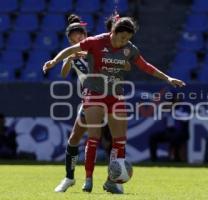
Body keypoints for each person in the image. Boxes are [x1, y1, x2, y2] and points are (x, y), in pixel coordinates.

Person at [43, 14, 185, 194]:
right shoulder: (94, 43)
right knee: (82, 138)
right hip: (93, 96)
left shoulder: (127, 48)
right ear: (113, 32)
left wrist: (167, 78)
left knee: (119, 140)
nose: (124, 41)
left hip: (115, 96)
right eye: (122, 37)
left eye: (128, 38)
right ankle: (79, 179)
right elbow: (68, 56)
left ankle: (113, 181)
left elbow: (145, 65)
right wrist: (55, 61)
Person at [53, 14, 122, 193]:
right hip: (90, 100)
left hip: (108, 97)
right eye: (75, 36)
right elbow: (63, 74)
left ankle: (113, 180)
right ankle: (69, 177)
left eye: (81, 34)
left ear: (85, 34)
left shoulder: (94, 47)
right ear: (70, 39)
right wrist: (68, 59)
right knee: (74, 138)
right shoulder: (74, 55)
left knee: (114, 140)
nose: (79, 37)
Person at [149, 97, 189, 162]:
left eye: (175, 101)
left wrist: (172, 109)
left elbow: (185, 118)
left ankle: (177, 158)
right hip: (168, 131)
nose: (173, 103)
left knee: (175, 137)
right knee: (153, 137)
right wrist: (165, 109)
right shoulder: (167, 110)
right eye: (172, 101)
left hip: (179, 132)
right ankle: (154, 159)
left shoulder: (182, 109)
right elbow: (160, 115)